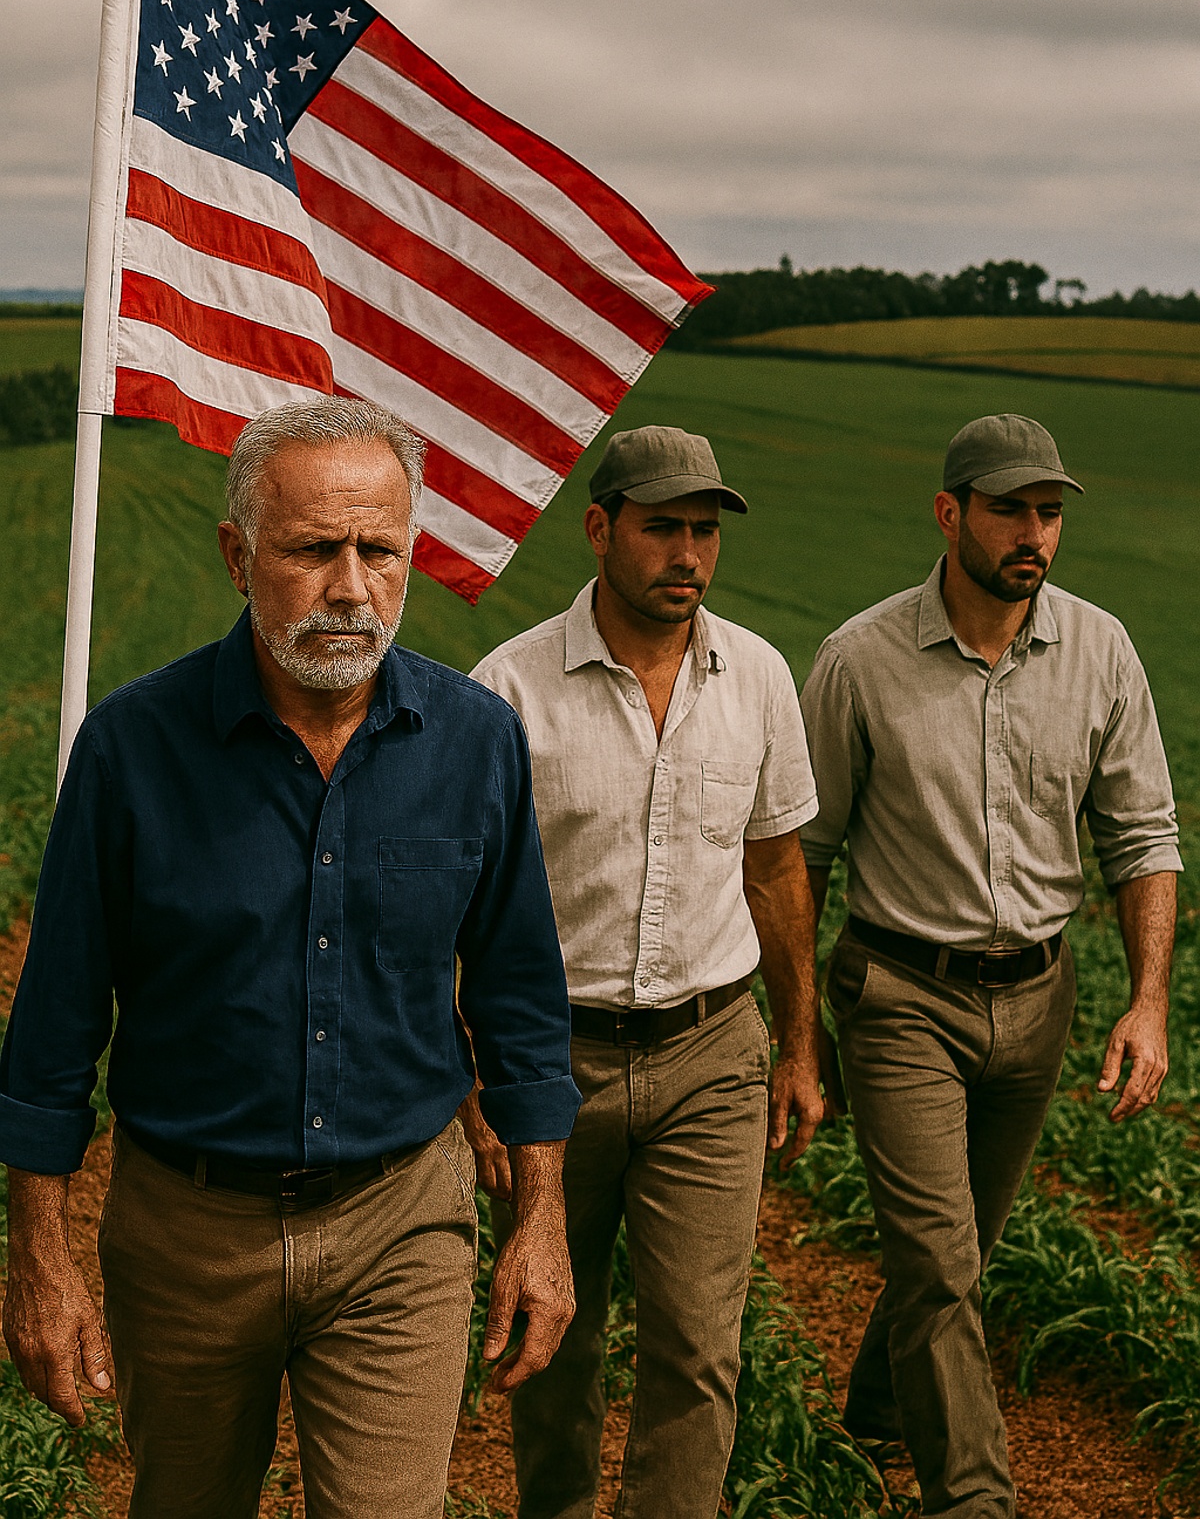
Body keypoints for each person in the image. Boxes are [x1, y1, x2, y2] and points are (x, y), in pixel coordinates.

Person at [0, 396, 581, 1519]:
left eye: (380, 551)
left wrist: (541, 1221)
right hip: (186, 1234)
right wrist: (40, 1254)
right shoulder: (131, 751)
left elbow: (518, 997)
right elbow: (56, 1027)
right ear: (238, 555)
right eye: (314, 549)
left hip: (399, 1222)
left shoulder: (475, 743)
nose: (352, 587)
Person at [799, 412, 1182, 1519]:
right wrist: (797, 1025)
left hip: (1041, 997)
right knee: (940, 1262)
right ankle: (975, 1498)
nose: (1034, 534)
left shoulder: (1101, 650)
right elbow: (804, 855)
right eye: (1011, 508)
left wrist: (1150, 1003)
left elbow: (1144, 836)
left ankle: (877, 1407)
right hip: (900, 995)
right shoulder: (860, 659)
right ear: (949, 512)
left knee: (961, 1244)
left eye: (1050, 512)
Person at [466, 423, 831, 1519]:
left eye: (703, 533)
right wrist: (474, 1086)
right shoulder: (510, 691)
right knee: (552, 1336)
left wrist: (798, 1044)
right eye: (663, 528)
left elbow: (775, 870)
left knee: (698, 1348)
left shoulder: (759, 676)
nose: (687, 554)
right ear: (599, 530)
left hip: (713, 1052)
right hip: (549, 1065)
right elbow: (460, 912)